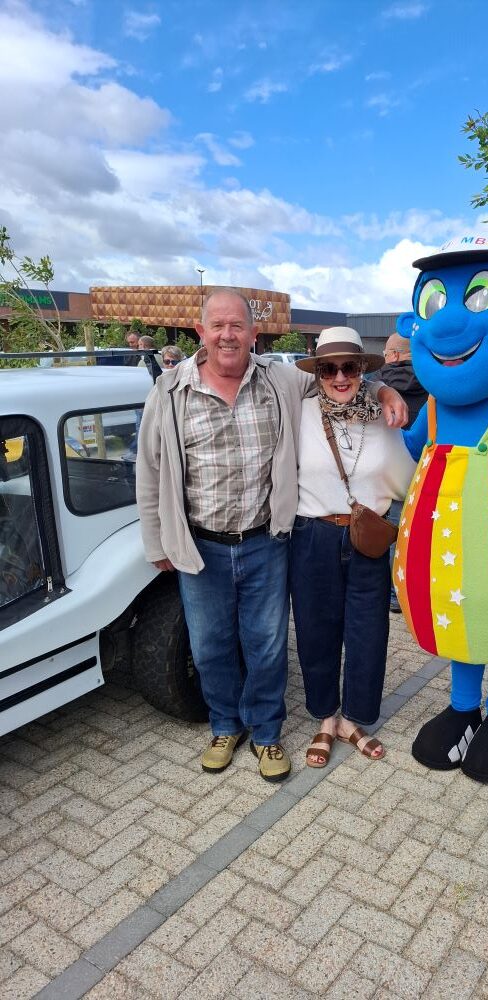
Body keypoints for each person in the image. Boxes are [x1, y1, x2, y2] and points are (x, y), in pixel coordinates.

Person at [136, 292, 408, 781]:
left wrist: (386, 391)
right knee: (210, 644)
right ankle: (224, 726)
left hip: (266, 540)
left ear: (253, 333)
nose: (227, 335)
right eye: (217, 326)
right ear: (201, 332)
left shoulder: (278, 380)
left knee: (266, 644)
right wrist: (158, 543)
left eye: (237, 326)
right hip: (200, 543)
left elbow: (343, 381)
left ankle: (265, 733)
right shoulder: (170, 391)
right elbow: (150, 469)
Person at [290, 328, 416, 768]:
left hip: (368, 537)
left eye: (350, 367)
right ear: (317, 372)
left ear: (363, 369)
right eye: (329, 368)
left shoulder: (385, 417)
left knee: (368, 631)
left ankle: (355, 719)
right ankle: (326, 719)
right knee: (314, 629)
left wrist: (383, 391)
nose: (340, 377)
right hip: (313, 534)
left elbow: (407, 477)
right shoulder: (299, 412)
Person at [369, 333, 428, 613]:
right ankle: (421, 588)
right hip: (427, 472)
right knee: (423, 533)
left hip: (389, 473)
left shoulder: (378, 384)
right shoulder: (434, 380)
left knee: (393, 534)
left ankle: (394, 593)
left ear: (393, 355)